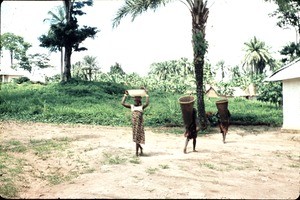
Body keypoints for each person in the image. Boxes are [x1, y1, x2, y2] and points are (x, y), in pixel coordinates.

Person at [121, 89, 149, 156]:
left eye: (136, 100)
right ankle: (140, 149)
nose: (135, 101)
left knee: (137, 138)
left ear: (139, 101)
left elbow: (147, 103)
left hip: (139, 125)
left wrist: (147, 95)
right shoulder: (132, 106)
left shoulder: (141, 107)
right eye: (134, 100)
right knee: (136, 138)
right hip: (134, 125)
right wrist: (125, 95)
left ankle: (136, 152)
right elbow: (122, 103)